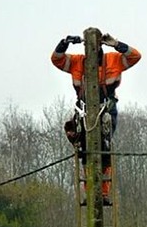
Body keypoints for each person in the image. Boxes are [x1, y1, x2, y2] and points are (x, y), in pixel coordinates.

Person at [51, 32, 141, 205]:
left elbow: (135, 56)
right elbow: (57, 59)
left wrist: (116, 44)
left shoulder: (114, 59)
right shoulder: (77, 62)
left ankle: (104, 193)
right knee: (85, 151)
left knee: (104, 148)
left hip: (107, 108)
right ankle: (91, 192)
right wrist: (64, 43)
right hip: (84, 110)